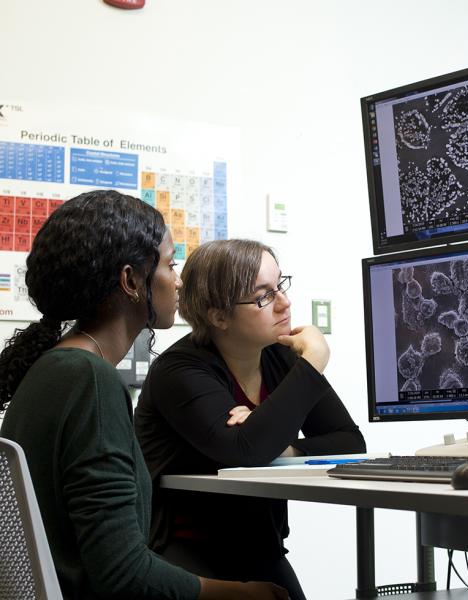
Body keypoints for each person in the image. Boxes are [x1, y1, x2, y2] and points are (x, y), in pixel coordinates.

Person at [0, 191, 287, 599]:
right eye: (170, 264)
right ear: (131, 281)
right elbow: (123, 576)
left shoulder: (54, 368)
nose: (180, 279)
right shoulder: (89, 380)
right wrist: (242, 593)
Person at [134, 239, 366, 600]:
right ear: (219, 316)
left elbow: (349, 440)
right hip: (183, 550)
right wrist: (314, 361)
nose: (285, 304)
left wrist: (280, 442)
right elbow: (246, 448)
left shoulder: (281, 357)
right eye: (263, 296)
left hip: (260, 546)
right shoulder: (178, 370)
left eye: (281, 286)